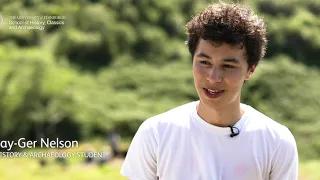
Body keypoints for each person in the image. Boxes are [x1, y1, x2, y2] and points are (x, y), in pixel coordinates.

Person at [120, 2, 298, 180]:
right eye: (204, 62)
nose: (213, 77)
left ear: (250, 70)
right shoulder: (156, 133)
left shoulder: (277, 142)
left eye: (228, 66)